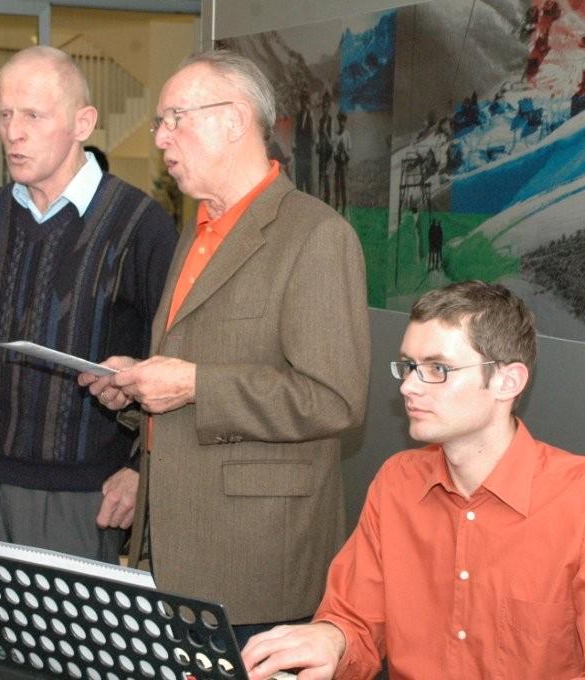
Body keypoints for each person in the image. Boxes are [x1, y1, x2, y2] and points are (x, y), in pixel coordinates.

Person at [80, 50, 371, 645]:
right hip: (173, 547)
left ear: (235, 120)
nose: (160, 138)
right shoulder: (196, 230)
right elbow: (199, 357)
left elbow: (334, 399)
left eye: (174, 119)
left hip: (256, 563)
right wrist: (137, 385)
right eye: (160, 122)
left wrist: (193, 384)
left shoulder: (316, 235)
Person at [242, 281, 585, 680]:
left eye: (438, 369)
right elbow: (354, 620)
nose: (409, 387)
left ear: (506, 381)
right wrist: (331, 639)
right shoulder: (397, 484)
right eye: (409, 366)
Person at [0, 46, 177, 563]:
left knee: (70, 622)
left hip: (86, 496)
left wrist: (143, 470)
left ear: (82, 122)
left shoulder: (140, 225)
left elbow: (173, 365)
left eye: (32, 116)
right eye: (4, 115)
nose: (12, 133)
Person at [293, 88, 314, 194]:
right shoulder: (299, 116)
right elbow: (296, 134)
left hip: (307, 154)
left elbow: (313, 136)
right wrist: (294, 146)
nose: (303, 103)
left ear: (308, 102)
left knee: (308, 182)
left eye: (305, 100)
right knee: (299, 182)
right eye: (302, 100)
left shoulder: (310, 116)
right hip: (299, 154)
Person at [332, 110, 351, 215]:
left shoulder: (347, 135)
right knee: (337, 187)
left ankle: (345, 208)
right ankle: (337, 207)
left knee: (344, 187)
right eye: (340, 121)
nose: (341, 123)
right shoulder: (336, 135)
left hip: (344, 165)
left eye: (343, 121)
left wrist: (344, 150)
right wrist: (337, 153)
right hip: (337, 164)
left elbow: (349, 155)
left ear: (345, 122)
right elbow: (334, 153)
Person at [316, 90, 333, 204]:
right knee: (320, 178)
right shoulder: (321, 120)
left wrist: (325, 133)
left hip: (329, 153)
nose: (324, 109)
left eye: (326, 107)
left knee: (327, 180)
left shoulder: (331, 120)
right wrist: (318, 145)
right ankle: (320, 203)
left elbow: (332, 142)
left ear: (329, 107)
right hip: (321, 152)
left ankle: (328, 204)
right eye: (323, 107)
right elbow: (319, 136)